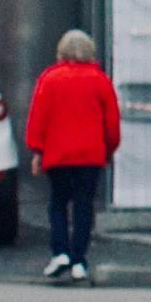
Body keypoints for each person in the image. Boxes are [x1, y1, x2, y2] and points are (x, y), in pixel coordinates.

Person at [25, 27, 122, 286]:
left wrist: (37, 150)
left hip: (58, 156)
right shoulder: (100, 80)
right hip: (90, 156)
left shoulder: (49, 79)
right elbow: (111, 122)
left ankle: (60, 253)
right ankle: (79, 260)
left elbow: (39, 118)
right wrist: (109, 149)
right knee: (83, 206)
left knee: (58, 204)